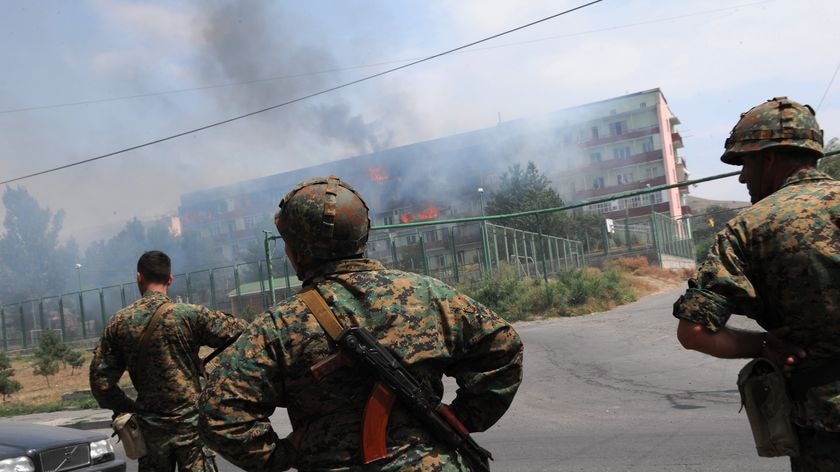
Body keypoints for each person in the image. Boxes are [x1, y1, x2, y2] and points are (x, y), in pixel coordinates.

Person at [199, 176, 524, 471]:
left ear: (299, 251)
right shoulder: (427, 294)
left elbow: (219, 411)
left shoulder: (280, 325)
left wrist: (283, 454)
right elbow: (503, 347)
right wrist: (461, 418)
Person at [673, 97, 840, 471]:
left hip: (825, 433)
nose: (742, 177)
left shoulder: (749, 228)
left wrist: (765, 344)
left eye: (745, 163)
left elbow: (694, 332)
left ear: (769, 158)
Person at [90, 250, 246, 472]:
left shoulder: (119, 323)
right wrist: (218, 377)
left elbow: (101, 384)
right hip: (192, 429)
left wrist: (131, 409)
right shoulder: (189, 315)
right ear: (170, 279)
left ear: (139, 277)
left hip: (150, 431)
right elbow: (243, 333)